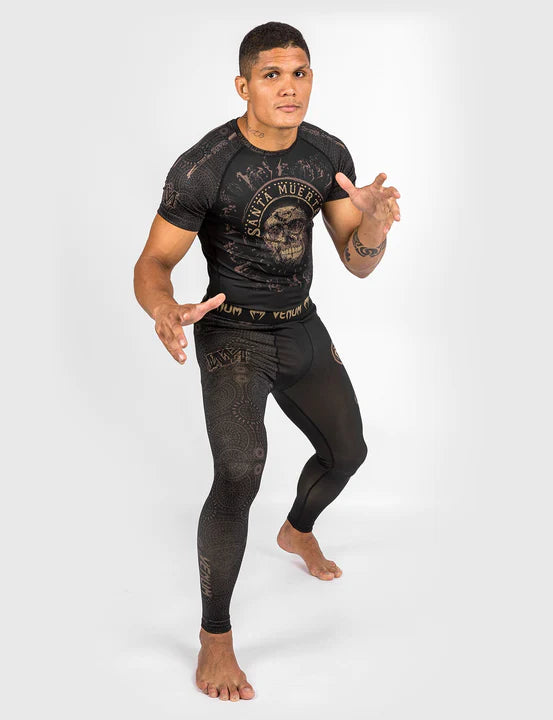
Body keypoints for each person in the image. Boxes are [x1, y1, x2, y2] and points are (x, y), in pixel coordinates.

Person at [133, 21, 401, 702]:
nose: (289, 87)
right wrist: (163, 307)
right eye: (272, 74)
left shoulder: (326, 154)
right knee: (240, 470)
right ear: (243, 85)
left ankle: (296, 530)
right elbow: (153, 262)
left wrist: (372, 225)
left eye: (299, 73)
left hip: (300, 325)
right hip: (232, 335)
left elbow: (357, 263)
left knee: (348, 453)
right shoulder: (205, 165)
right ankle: (215, 636)